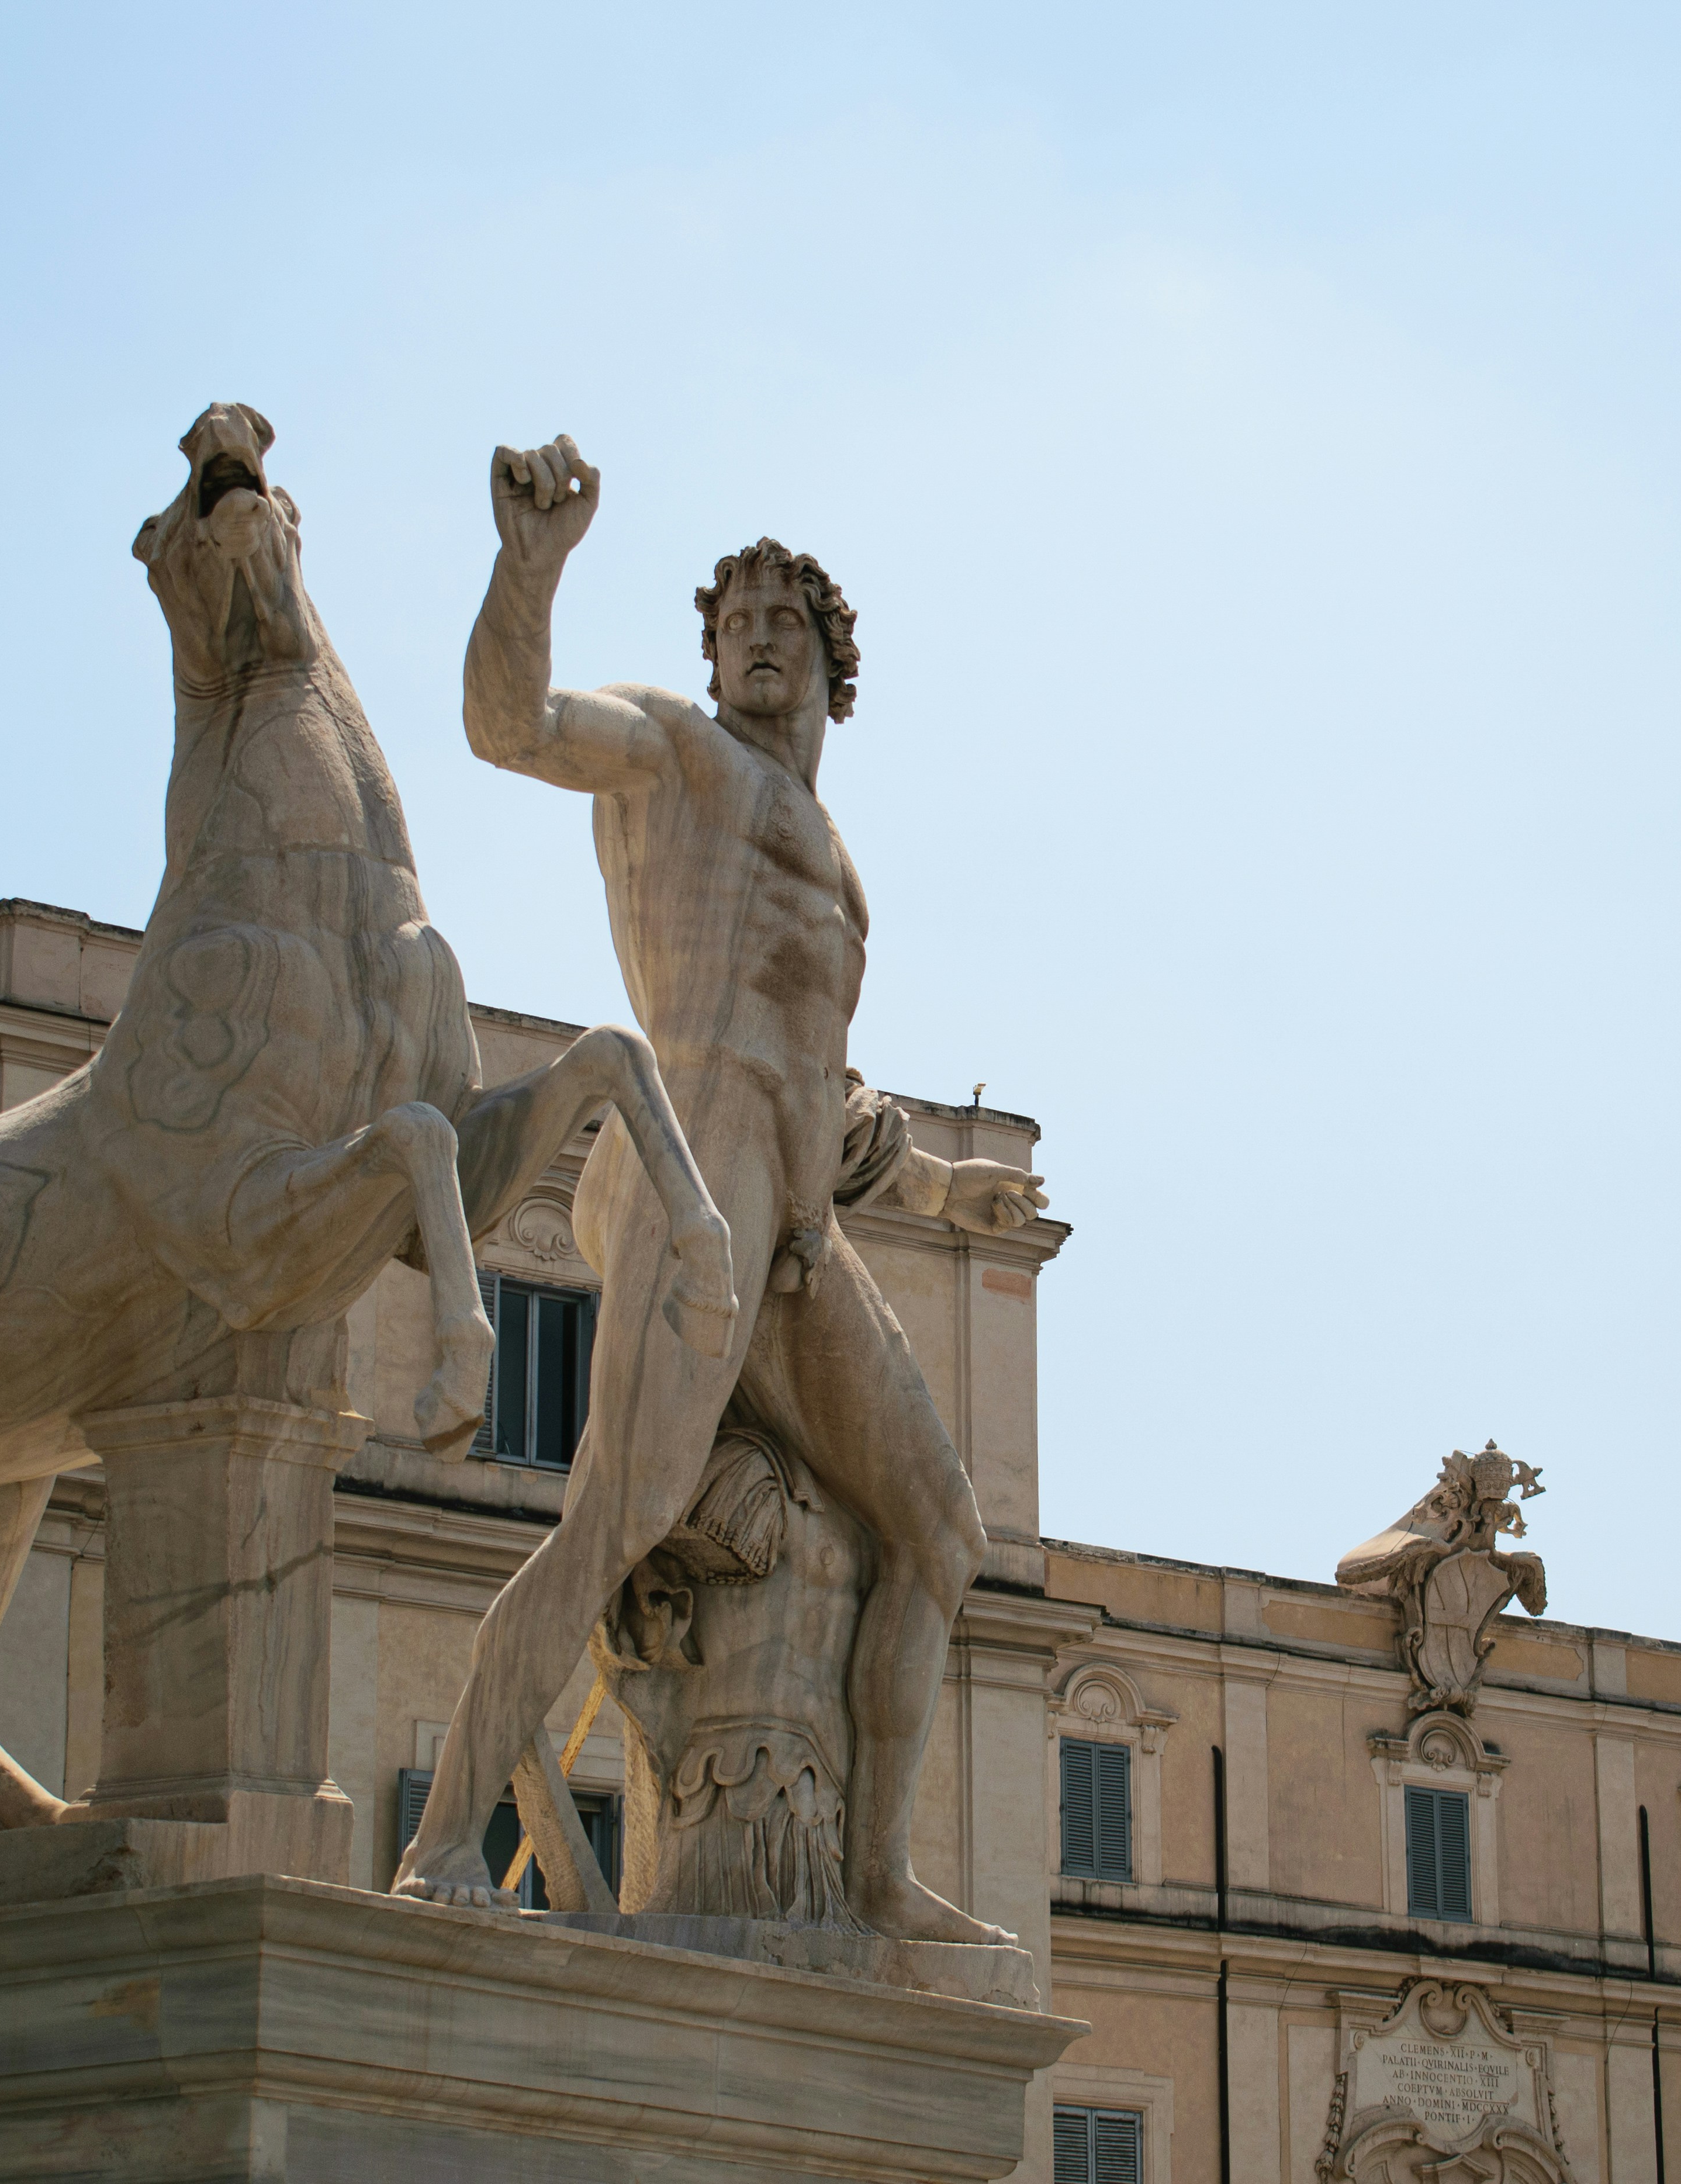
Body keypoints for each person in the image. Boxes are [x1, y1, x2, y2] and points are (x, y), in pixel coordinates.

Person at [394, 435, 1046, 1943]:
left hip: (797, 1207)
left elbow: (830, 1080)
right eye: (732, 619)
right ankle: (437, 1845)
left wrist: (947, 1189)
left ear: (832, 663)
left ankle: (874, 1878)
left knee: (940, 1533)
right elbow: (510, 724)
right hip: (690, 1152)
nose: (753, 638)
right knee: (613, 1511)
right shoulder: (677, 752)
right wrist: (531, 565)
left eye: (783, 622)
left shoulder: (841, 863)